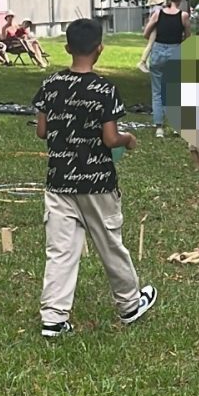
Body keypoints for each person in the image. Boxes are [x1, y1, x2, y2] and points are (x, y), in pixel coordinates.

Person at [32, 17, 157, 338]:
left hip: (59, 181)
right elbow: (111, 138)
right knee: (109, 243)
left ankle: (53, 317)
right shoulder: (105, 89)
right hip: (97, 183)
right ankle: (130, 304)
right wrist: (128, 140)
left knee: (60, 249)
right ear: (100, 49)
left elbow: (42, 131)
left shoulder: (50, 85)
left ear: (67, 48)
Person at [143, 0, 190, 139]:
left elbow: (146, 33)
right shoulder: (183, 16)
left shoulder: (157, 14)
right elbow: (187, 37)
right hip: (174, 52)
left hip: (157, 53)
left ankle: (159, 128)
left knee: (157, 92)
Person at [137, 0, 167, 74]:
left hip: (155, 28)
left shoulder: (155, 7)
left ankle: (144, 62)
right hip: (155, 28)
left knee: (151, 45)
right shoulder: (158, 9)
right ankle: (142, 61)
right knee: (150, 44)